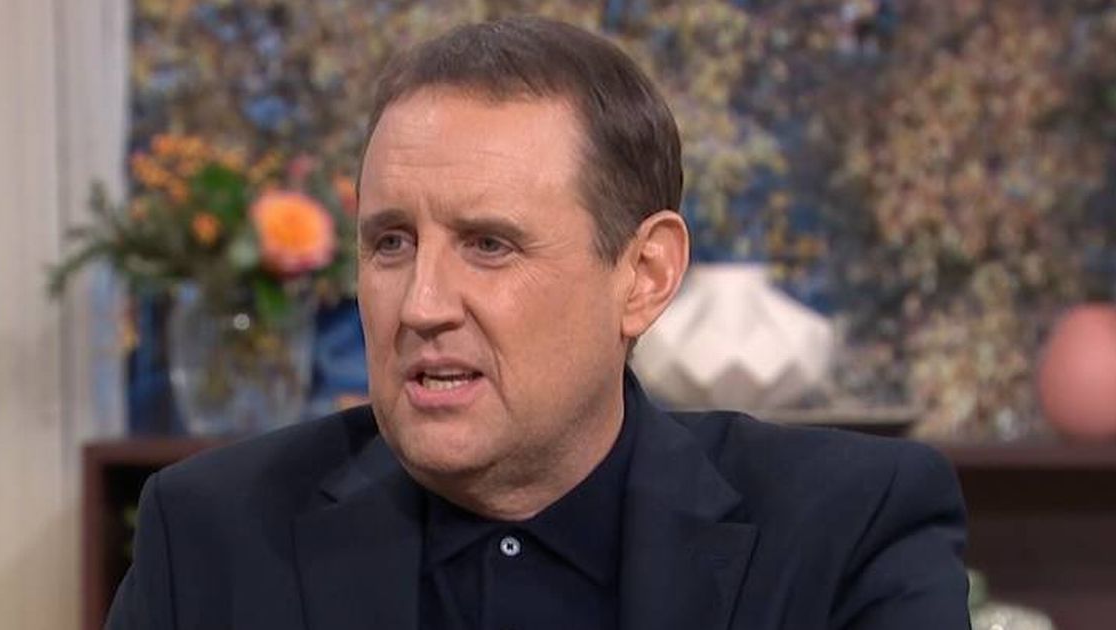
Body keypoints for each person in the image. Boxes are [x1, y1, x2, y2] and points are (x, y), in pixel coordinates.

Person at [107, 16, 968, 630]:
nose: (422, 305)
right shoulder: (212, 535)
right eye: (392, 243)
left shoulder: (847, 530)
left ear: (644, 276)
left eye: (489, 245)